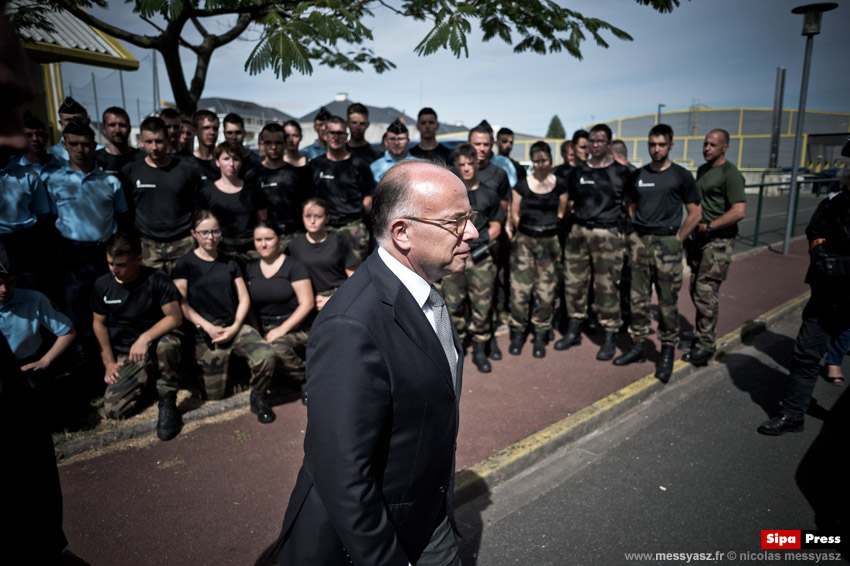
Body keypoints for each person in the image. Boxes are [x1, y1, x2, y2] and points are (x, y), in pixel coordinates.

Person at [271, 160, 476, 566]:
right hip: (373, 543)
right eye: (456, 222)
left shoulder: (423, 290)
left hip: (428, 520)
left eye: (471, 217)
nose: (471, 232)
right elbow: (343, 472)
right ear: (403, 232)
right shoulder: (351, 325)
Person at [758, 165, 850, 435]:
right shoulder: (834, 202)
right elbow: (814, 231)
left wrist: (839, 266)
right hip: (827, 294)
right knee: (805, 355)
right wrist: (820, 252)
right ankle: (792, 413)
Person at [612, 124, 702, 382]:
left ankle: (666, 351)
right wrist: (639, 234)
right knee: (637, 297)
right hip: (640, 241)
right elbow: (630, 206)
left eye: (661, 144)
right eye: (652, 144)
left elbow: (695, 213)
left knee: (666, 301)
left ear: (670, 145)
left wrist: (677, 240)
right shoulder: (637, 175)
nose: (656, 149)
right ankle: (638, 345)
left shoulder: (681, 176)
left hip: (668, 243)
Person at [172, 210, 277, 422]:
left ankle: (258, 396)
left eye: (215, 231)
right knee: (215, 395)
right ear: (194, 233)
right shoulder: (185, 264)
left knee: (266, 355)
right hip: (206, 332)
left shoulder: (231, 261)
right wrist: (207, 327)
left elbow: (244, 298)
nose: (210, 237)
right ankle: (228, 374)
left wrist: (236, 326)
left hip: (233, 325)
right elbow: (180, 303)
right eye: (204, 232)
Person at [44, 117, 128, 371]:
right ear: (64, 145)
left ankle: (115, 367)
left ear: (94, 145)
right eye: (74, 144)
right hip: (71, 256)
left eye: (86, 144)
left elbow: (121, 217)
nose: (81, 149)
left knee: (111, 311)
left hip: (103, 254)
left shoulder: (110, 182)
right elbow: (48, 219)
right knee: (77, 314)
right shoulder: (53, 181)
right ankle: (85, 372)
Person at [91, 232, 183, 440]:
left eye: (121, 264)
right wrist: (108, 362)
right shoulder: (102, 285)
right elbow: (99, 324)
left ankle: (168, 401)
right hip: (128, 352)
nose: (114, 269)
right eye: (110, 263)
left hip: (158, 341)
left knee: (167, 345)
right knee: (114, 411)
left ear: (138, 259)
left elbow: (175, 318)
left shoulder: (157, 279)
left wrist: (145, 338)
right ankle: (150, 382)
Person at [555, 123, 630, 360]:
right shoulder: (577, 172)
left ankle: (609, 334)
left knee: (607, 287)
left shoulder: (623, 173)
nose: (595, 145)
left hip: (608, 234)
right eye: (592, 141)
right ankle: (574, 329)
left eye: (600, 141)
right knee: (574, 284)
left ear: (609, 144)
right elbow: (568, 203)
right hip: (579, 232)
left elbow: (630, 209)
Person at [683, 128, 746, 366]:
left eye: (713, 145)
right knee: (696, 290)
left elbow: (739, 210)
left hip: (718, 240)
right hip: (699, 240)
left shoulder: (731, 174)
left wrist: (710, 226)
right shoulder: (702, 171)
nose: (707, 148)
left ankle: (706, 346)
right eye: (705, 144)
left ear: (725, 148)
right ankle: (701, 335)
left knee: (705, 292)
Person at [439, 143, 503, 373]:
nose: (466, 168)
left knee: (482, 306)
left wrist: (479, 241)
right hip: (454, 257)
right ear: (456, 166)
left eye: (470, 163)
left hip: (481, 258)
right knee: (453, 305)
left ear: (478, 163)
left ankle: (479, 348)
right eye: (462, 164)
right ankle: (457, 348)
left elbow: (497, 224)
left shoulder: (489, 193)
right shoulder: (450, 194)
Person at [508, 141, 568, 359]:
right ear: (532, 161)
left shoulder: (560, 184)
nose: (540, 165)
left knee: (546, 290)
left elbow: (562, 211)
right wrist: (526, 233)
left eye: (544, 160)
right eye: (536, 161)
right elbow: (514, 214)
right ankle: (517, 333)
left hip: (549, 242)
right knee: (520, 291)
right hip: (525, 240)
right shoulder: (522, 185)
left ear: (550, 161)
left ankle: (541, 334)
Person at [121, 116, 200, 275]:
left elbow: (197, 207)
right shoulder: (129, 171)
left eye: (159, 141)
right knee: (153, 295)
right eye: (149, 142)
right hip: (147, 247)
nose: (154, 147)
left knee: (185, 294)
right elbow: (125, 212)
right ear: (141, 141)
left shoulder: (187, 170)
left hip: (183, 245)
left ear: (168, 139)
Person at [246, 221, 314, 399]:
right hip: (263, 326)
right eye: (258, 239)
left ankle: (306, 379)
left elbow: (307, 303)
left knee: (276, 347)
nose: (263, 244)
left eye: (268, 239)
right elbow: (250, 307)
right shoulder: (250, 268)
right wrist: (256, 330)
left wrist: (281, 329)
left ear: (280, 239)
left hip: (295, 327)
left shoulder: (293, 266)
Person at [309, 115, 375, 263]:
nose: (336, 137)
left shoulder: (359, 164)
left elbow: (368, 197)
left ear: (346, 136)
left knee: (358, 276)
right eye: (332, 133)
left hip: (353, 228)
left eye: (340, 133)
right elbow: (310, 198)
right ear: (325, 135)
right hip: (325, 229)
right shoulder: (315, 165)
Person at [197, 140, 268, 261]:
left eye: (235, 159)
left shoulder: (252, 190)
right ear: (217, 162)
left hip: (251, 251)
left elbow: (263, 222)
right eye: (226, 159)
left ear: (241, 162)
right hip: (220, 251)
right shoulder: (207, 192)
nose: (231, 164)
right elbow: (201, 226)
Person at [247, 122, 311, 250]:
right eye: (268, 143)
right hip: (267, 238)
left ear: (285, 143)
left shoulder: (298, 174)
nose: (273, 147)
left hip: (296, 235)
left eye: (278, 142)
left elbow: (307, 206)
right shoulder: (252, 176)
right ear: (262, 144)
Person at [287, 198, 357, 310]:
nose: (312, 221)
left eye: (318, 216)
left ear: (326, 219)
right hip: (308, 302)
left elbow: (354, 278)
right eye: (308, 216)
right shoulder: (294, 245)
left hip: (338, 297)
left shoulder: (338, 242)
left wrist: (333, 298)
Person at [95, 106, 144, 177]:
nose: (117, 130)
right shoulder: (95, 160)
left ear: (129, 128)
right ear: (104, 128)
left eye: (122, 125)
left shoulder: (143, 159)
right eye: (112, 125)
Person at [18, 111, 63, 178]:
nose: (35, 139)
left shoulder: (63, 165)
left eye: (39, 134)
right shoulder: (15, 170)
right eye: (29, 135)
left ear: (47, 137)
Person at [371, 118, 412, 183]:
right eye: (392, 139)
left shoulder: (418, 164)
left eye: (400, 139)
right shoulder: (374, 167)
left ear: (408, 141)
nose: (396, 143)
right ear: (386, 141)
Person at [223, 112, 263, 177]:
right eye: (230, 133)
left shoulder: (257, 161)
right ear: (224, 134)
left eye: (238, 132)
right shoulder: (218, 161)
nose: (234, 137)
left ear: (244, 133)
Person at [190, 109, 221, 182]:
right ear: (195, 131)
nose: (212, 132)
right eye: (206, 128)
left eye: (215, 128)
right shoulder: (186, 164)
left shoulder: (226, 162)